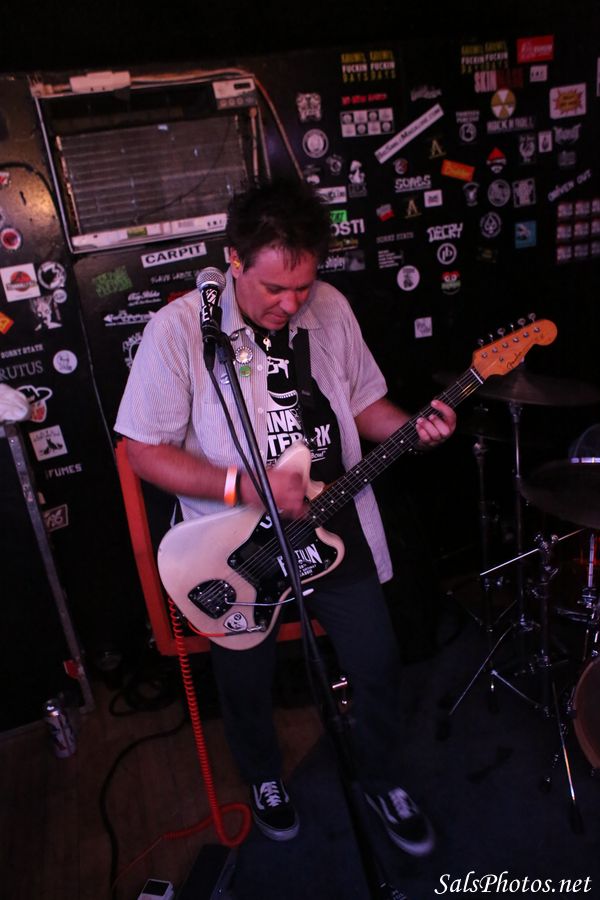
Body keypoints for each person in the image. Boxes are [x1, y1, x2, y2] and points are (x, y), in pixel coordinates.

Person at [115, 179, 456, 855]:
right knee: (245, 679)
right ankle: (264, 777)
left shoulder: (331, 308)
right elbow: (143, 451)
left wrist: (412, 429)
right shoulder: (179, 331)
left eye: (304, 285)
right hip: (236, 544)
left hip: (336, 520)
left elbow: (364, 404)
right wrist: (244, 485)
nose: (292, 303)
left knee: (377, 661)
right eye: (274, 288)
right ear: (233, 260)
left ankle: (381, 778)